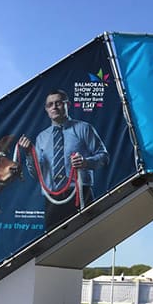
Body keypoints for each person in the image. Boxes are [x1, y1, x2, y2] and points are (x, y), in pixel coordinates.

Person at [18, 89, 109, 230]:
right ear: (46, 109)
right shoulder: (41, 138)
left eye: (58, 103)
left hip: (80, 193)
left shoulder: (84, 128)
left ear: (68, 105)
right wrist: (30, 154)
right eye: (50, 104)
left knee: (87, 234)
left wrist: (86, 162)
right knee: (54, 242)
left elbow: (104, 156)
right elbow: (37, 174)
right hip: (52, 199)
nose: (54, 107)